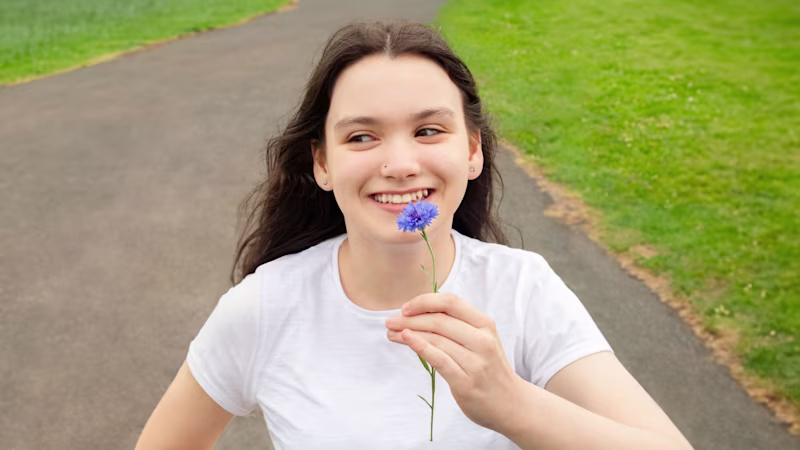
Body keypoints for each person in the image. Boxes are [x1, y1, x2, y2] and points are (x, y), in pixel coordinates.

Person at [136, 21, 693, 450]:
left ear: (471, 151)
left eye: (429, 130)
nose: (400, 163)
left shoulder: (523, 289)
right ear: (322, 163)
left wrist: (511, 405)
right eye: (361, 136)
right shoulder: (264, 306)